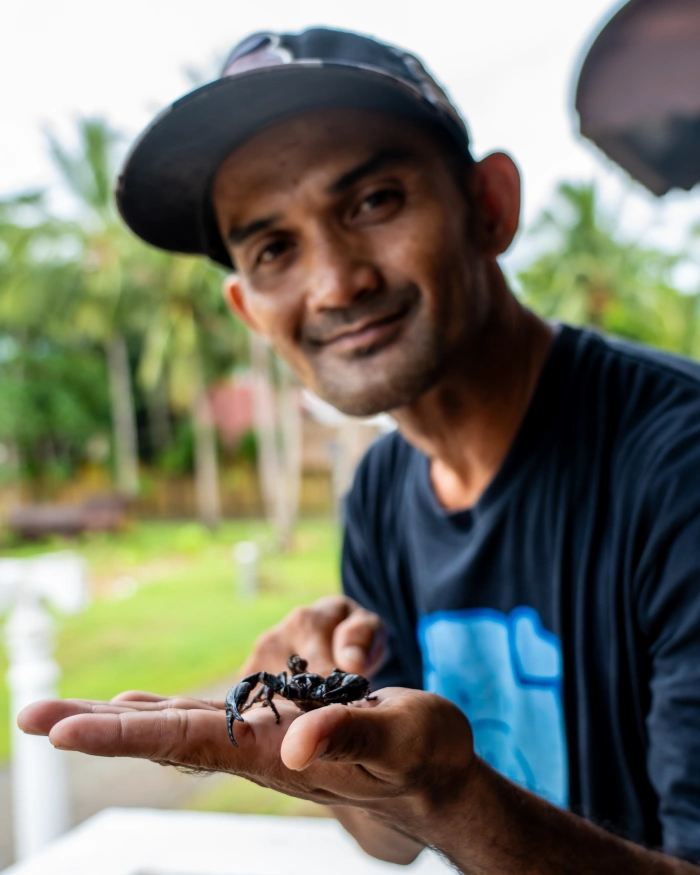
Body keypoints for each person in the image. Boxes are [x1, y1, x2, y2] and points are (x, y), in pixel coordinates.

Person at [19, 27, 700, 873]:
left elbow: (452, 808)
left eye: (374, 201)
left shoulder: (679, 467)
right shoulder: (382, 487)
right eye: (274, 248)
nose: (336, 282)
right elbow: (399, 829)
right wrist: (321, 758)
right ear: (247, 309)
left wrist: (459, 795)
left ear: (488, 207)